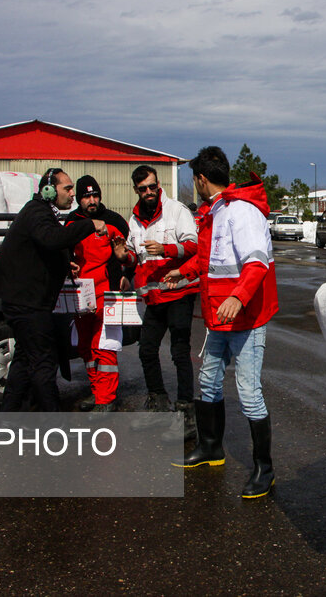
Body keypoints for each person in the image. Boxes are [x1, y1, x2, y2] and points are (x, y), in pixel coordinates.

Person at [164, 146, 279, 499]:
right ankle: (211, 448)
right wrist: (182, 273)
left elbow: (256, 263)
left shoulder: (241, 212)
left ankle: (264, 469)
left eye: (194, 180)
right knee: (209, 382)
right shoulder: (217, 211)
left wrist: (237, 297)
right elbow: (209, 260)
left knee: (249, 393)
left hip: (244, 318)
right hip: (219, 318)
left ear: (201, 178)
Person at [0, 168, 106, 412]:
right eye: (68, 188)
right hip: (28, 305)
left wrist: (64, 265)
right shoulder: (37, 212)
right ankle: (54, 426)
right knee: (44, 364)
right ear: (49, 190)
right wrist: (88, 225)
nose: (72, 194)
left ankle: (8, 417)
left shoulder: (40, 212)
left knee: (23, 361)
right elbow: (51, 238)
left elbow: (40, 250)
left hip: (27, 302)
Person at [122, 165, 200, 433]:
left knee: (179, 352)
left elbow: (194, 245)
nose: (149, 192)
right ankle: (158, 403)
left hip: (179, 291)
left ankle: (186, 413)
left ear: (158, 185)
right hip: (153, 297)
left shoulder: (177, 211)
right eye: (143, 189)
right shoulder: (133, 220)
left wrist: (166, 248)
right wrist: (124, 257)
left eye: (152, 186)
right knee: (146, 350)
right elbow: (135, 256)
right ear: (136, 190)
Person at [65, 175, 132, 416]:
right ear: (79, 199)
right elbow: (63, 251)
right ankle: (96, 391)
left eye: (95, 195)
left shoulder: (113, 221)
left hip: (108, 292)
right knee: (86, 347)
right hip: (81, 293)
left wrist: (128, 274)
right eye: (86, 196)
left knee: (104, 346)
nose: (92, 201)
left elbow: (130, 251)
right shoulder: (71, 222)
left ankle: (106, 399)